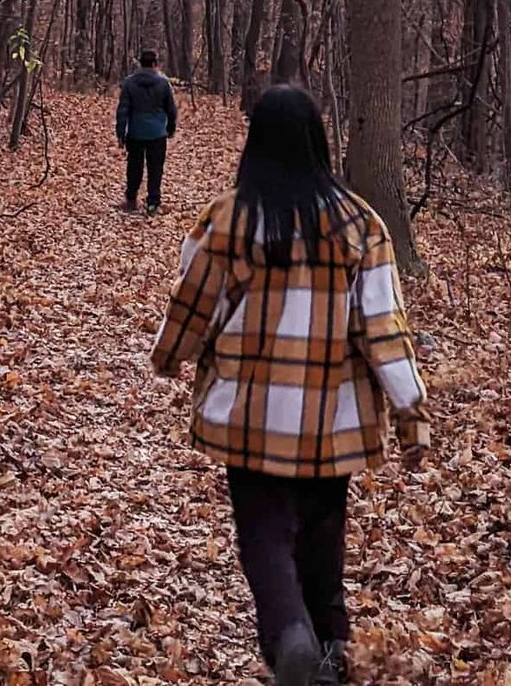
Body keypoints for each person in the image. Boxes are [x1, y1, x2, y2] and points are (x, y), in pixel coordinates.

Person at [151, 86, 429, 686]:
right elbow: (383, 328)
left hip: (250, 416)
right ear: (319, 140)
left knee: (265, 537)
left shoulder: (228, 218)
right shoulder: (362, 224)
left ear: (255, 144)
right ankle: (331, 651)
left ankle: (290, 638)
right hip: (334, 421)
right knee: (324, 540)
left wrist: (169, 356)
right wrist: (411, 412)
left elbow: (194, 303)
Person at [115, 50, 177, 215]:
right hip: (157, 133)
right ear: (155, 64)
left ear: (140, 63)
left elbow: (123, 109)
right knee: (155, 168)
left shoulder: (129, 83)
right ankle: (153, 203)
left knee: (134, 165)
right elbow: (171, 109)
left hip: (135, 131)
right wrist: (171, 128)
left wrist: (120, 133)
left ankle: (131, 199)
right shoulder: (163, 83)